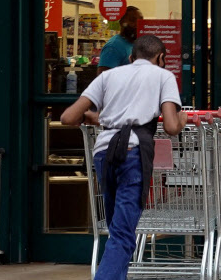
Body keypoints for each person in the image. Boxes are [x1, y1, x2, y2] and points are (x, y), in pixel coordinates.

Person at [61, 34, 187, 279]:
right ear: (161, 58)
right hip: (133, 153)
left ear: (131, 58)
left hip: (104, 153)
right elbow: (171, 126)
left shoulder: (109, 76)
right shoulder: (164, 76)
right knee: (123, 232)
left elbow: (68, 118)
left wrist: (92, 116)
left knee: (118, 230)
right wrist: (182, 119)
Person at [97, 6, 143, 74]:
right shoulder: (113, 47)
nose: (137, 24)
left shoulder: (135, 44)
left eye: (140, 20)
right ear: (121, 23)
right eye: (132, 20)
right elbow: (104, 79)